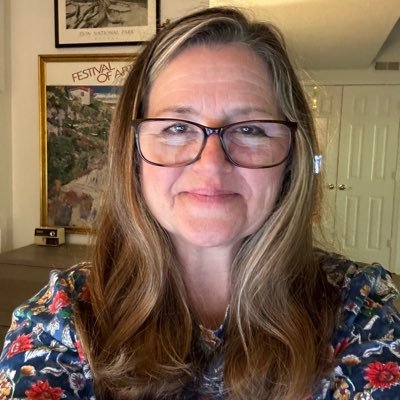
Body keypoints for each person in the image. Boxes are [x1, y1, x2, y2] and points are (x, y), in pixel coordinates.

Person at [1, 7, 400, 400]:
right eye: (176, 127)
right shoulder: (62, 320)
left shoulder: (361, 311)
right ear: (133, 155)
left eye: (250, 129)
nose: (211, 165)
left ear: (292, 160)